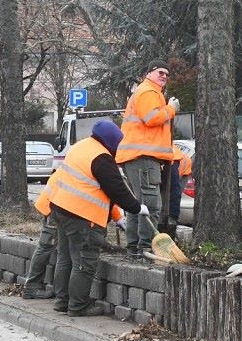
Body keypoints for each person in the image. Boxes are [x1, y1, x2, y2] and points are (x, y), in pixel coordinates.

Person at [33, 120, 145, 316]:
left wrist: (117, 216)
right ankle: (78, 306)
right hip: (81, 216)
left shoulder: (81, 146)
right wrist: (136, 207)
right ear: (111, 141)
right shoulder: (102, 158)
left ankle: (62, 301)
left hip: (60, 208)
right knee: (84, 261)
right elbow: (116, 189)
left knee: (65, 258)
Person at [116, 59, 178, 258]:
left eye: (166, 74)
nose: (164, 76)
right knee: (150, 206)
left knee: (137, 206)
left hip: (137, 157)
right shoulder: (149, 92)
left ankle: (135, 248)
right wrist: (171, 109)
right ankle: (145, 248)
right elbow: (151, 119)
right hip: (143, 158)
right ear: (149, 73)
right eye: (160, 72)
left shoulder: (146, 91)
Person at [163, 143, 192, 239]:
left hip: (182, 171)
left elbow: (175, 193)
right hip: (172, 164)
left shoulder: (171, 158)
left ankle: (171, 227)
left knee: (173, 197)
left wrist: (172, 217)